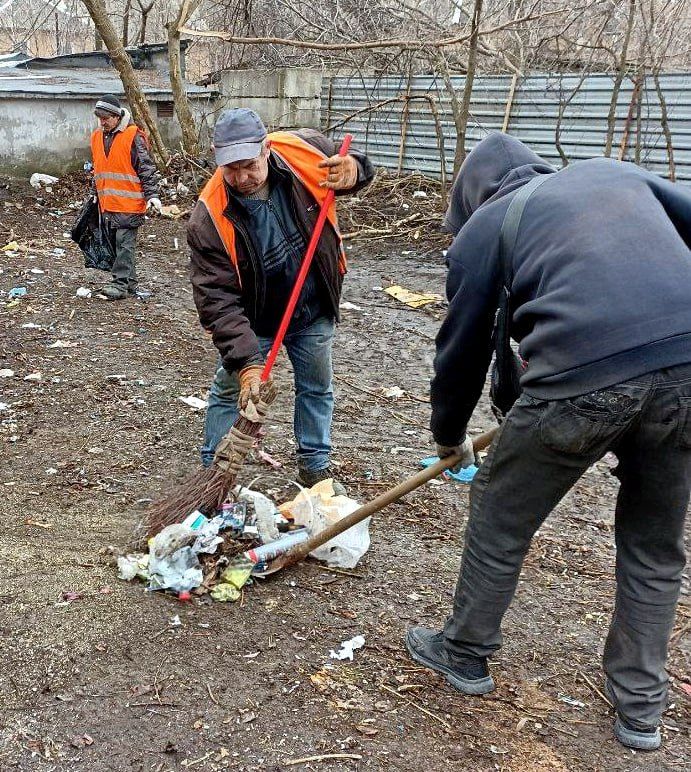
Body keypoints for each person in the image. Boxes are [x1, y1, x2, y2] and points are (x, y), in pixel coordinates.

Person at [405, 133, 691, 751]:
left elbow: (461, 353)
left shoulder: (486, 230)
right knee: (654, 546)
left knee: (500, 512)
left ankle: (464, 651)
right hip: (689, 371)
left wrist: (449, 438)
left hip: (580, 382)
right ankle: (641, 710)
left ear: (471, 196)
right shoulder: (616, 174)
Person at [187, 108, 373, 490]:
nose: (241, 178)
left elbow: (352, 167)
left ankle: (315, 464)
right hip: (257, 320)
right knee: (229, 388)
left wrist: (355, 170)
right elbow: (216, 300)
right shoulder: (208, 217)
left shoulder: (305, 150)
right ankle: (215, 471)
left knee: (317, 385)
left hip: (314, 303)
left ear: (267, 148)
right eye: (230, 169)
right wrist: (248, 365)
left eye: (249, 165)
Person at [90, 94, 161, 300]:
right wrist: (95, 194)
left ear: (116, 116)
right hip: (108, 203)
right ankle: (129, 283)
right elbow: (99, 169)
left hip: (130, 203)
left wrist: (152, 195)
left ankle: (120, 284)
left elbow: (145, 168)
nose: (102, 122)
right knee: (117, 243)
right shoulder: (97, 137)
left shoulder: (133, 136)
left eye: (106, 118)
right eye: (100, 118)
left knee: (123, 243)